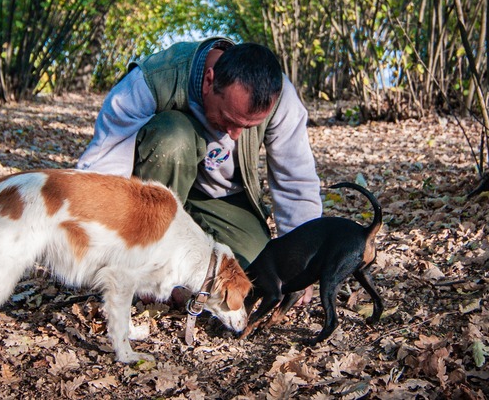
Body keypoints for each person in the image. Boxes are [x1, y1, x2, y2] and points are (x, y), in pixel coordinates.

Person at [77, 36, 322, 286]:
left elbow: (295, 179)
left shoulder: (283, 98)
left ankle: (184, 267)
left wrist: (302, 263)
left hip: (223, 198)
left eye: (247, 127)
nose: (234, 134)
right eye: (230, 119)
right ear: (208, 81)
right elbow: (104, 164)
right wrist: (96, 243)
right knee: (173, 136)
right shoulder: (152, 80)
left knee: (254, 275)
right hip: (156, 188)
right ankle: (146, 257)